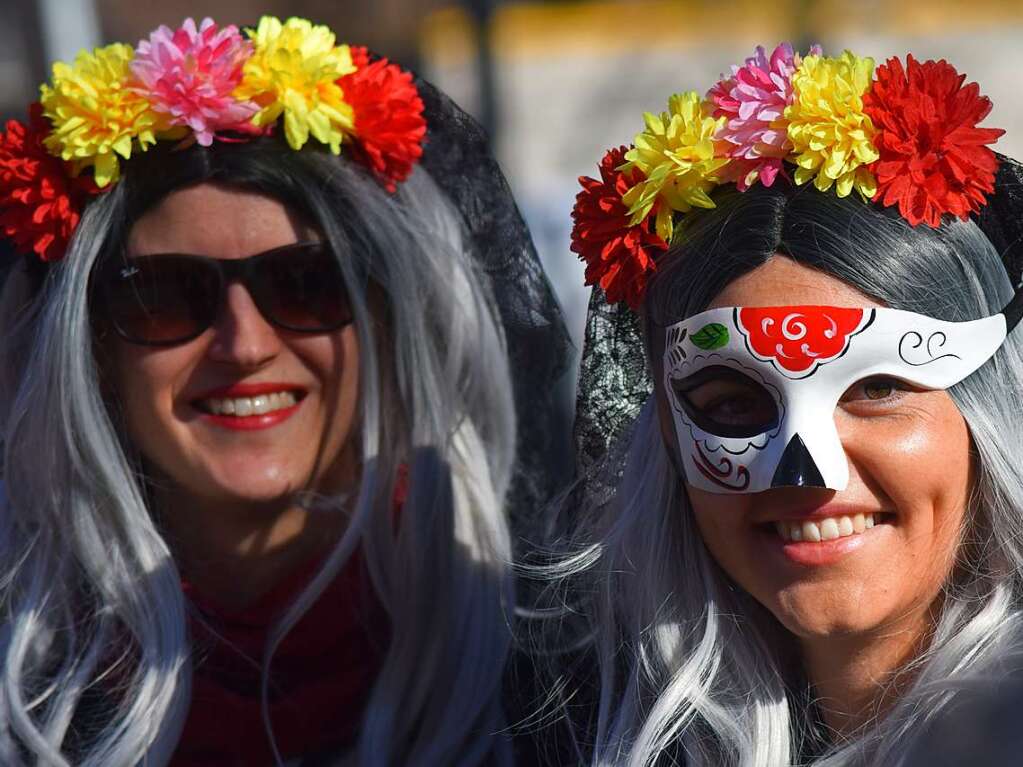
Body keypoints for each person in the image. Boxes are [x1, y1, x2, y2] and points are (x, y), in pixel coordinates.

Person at [0, 15, 569, 766]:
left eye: (306, 283)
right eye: (165, 296)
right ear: (93, 347)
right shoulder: (27, 681)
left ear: (389, 323)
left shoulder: (547, 659)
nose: (245, 345)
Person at [545, 44, 1023, 765]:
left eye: (876, 388)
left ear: (987, 414)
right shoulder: (576, 731)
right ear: (666, 437)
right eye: (732, 400)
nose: (805, 472)